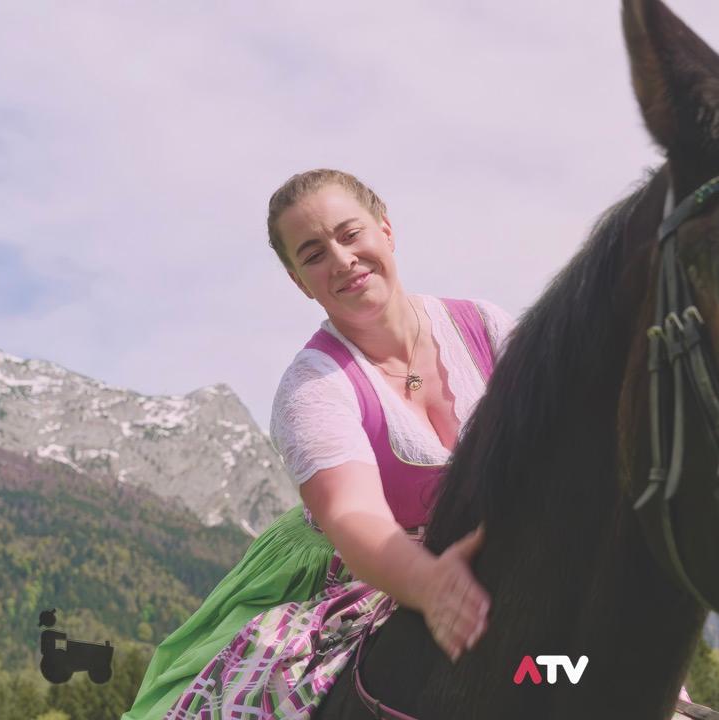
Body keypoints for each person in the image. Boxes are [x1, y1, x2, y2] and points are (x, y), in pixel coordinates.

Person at [124, 169, 514, 718]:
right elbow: (355, 516)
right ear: (298, 281)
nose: (341, 259)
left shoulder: (487, 325)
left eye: (350, 234)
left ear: (386, 230)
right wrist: (427, 583)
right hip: (361, 570)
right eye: (313, 254)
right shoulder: (311, 386)